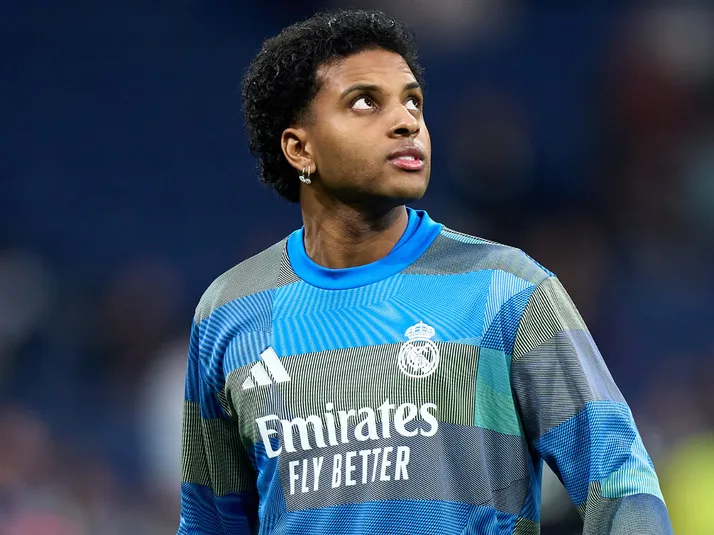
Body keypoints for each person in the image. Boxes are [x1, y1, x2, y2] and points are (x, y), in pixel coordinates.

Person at [177, 9, 672, 535]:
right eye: (365, 102)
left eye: (412, 101)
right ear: (300, 148)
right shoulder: (229, 311)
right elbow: (209, 522)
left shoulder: (505, 288)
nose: (406, 122)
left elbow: (622, 483)